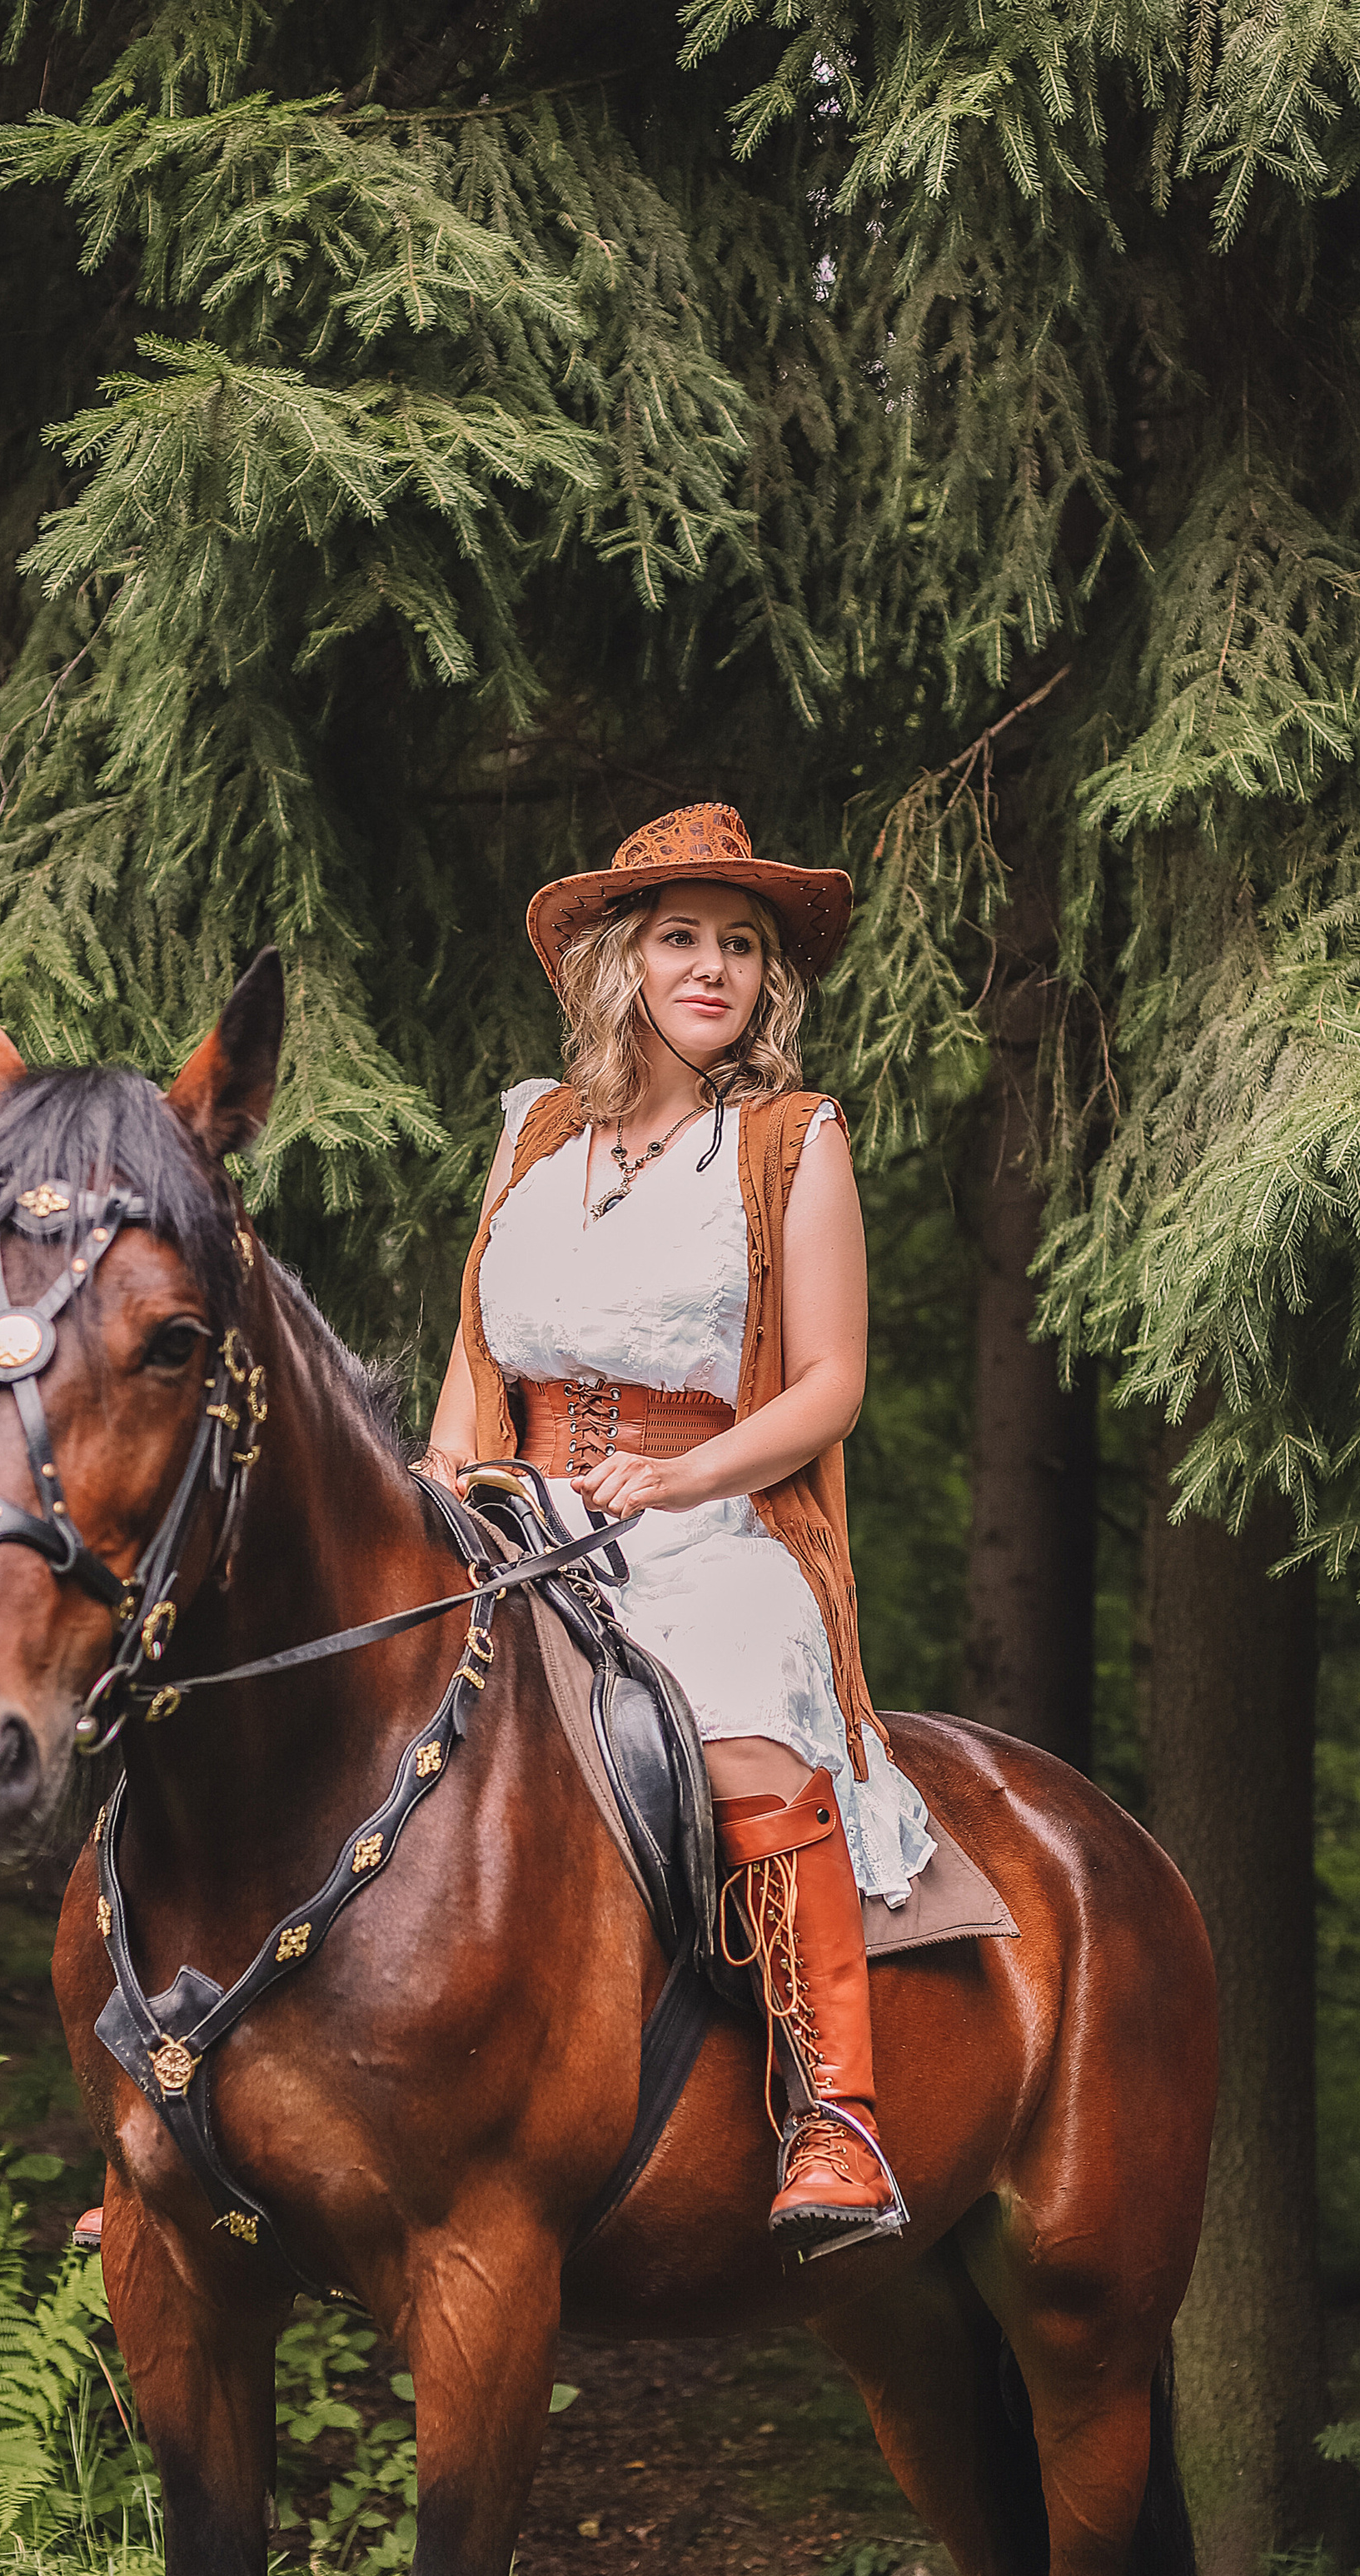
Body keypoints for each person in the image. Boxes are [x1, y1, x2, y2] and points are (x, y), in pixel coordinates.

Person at [423, 804, 934, 2255]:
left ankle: (836, 2111)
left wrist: (688, 1482)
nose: (715, 967)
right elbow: (478, 1342)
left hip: (706, 1523)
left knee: (744, 1723)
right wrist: (453, 1468)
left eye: (745, 945)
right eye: (682, 938)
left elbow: (829, 1385)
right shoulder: (533, 1128)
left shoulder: (787, 1141)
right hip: (511, 1512)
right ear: (619, 962)